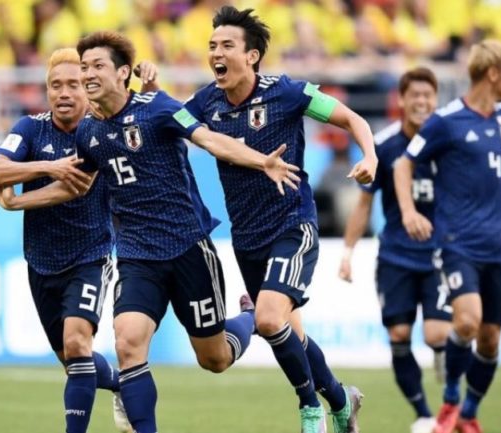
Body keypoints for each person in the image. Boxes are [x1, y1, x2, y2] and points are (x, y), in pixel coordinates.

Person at [0, 30, 300, 433]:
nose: (86, 76)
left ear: (123, 73)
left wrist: (261, 161)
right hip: (135, 254)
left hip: (186, 247)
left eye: (95, 67)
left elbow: (209, 139)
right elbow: (75, 184)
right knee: (126, 343)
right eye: (82, 69)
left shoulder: (158, 107)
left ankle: (249, 317)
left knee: (215, 358)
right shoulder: (87, 132)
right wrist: (17, 202)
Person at [182, 6, 376, 433]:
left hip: (293, 225)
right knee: (291, 334)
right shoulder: (205, 102)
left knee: (268, 319)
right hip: (247, 238)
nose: (216, 53)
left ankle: (310, 409)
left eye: (227, 45)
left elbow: (351, 118)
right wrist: (151, 92)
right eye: (212, 46)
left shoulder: (286, 92)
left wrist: (370, 156)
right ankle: (342, 401)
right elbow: (167, 123)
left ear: (251, 56)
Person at [393, 40, 501, 433]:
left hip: (500, 248)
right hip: (457, 244)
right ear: (493, 73)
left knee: (489, 341)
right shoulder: (446, 121)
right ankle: (451, 400)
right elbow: (404, 164)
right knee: (467, 321)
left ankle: (469, 413)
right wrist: (409, 212)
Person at [0, 48, 145, 433]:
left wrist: (15, 200)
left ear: (87, 88)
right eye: (56, 85)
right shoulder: (30, 128)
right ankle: (122, 384)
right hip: (41, 261)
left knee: (77, 344)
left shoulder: (99, 129)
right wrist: (46, 165)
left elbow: (76, 185)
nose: (64, 93)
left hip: (90, 256)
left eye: (73, 84)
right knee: (73, 360)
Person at [339, 67, 451, 433]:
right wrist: (347, 252)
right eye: (414, 95)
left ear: (435, 100)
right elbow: (364, 205)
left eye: (427, 95)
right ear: (401, 100)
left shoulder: (447, 143)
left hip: (439, 256)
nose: (421, 101)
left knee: (436, 335)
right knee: (399, 335)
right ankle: (423, 414)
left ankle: (444, 363)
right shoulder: (384, 146)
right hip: (396, 257)